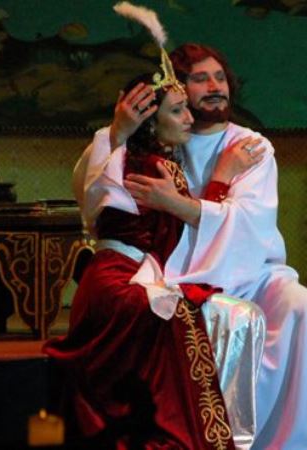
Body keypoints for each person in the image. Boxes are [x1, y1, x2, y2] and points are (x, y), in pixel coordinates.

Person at [95, 43, 307, 449]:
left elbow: (250, 226)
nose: (215, 87)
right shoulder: (160, 136)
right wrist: (119, 131)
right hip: (178, 273)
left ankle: (293, 442)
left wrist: (182, 201)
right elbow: (100, 186)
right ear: (178, 90)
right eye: (200, 79)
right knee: (230, 320)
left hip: (254, 272)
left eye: (219, 78)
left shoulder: (250, 146)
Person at [44, 41, 267, 447]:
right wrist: (220, 179)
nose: (189, 118)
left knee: (228, 316)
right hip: (121, 284)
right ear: (150, 122)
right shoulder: (150, 167)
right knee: (196, 319)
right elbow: (183, 236)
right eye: (178, 111)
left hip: (114, 280)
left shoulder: (138, 160)